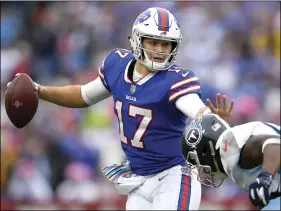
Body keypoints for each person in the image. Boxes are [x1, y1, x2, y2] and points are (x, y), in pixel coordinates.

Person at [8, 7, 234, 210]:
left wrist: (211, 118)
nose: (159, 49)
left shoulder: (176, 79)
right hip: (138, 179)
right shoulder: (117, 65)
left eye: (165, 44)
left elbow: (194, 107)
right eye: (153, 42)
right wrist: (41, 90)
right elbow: (84, 95)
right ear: (138, 40)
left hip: (174, 176)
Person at [181, 113, 280, 210]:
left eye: (200, 163)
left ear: (207, 152)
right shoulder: (231, 149)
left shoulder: (236, 149)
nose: (204, 170)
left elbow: (275, 145)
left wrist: (264, 178)